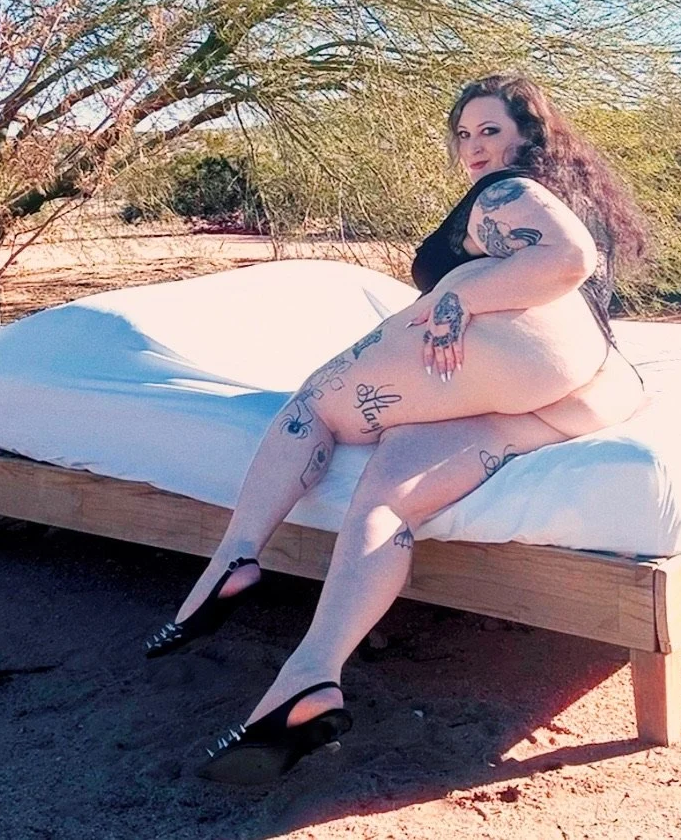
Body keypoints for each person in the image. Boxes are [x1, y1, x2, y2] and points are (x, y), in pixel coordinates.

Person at [145, 72, 651, 784]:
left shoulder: (505, 191)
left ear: (526, 138)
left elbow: (565, 259)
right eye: (465, 134)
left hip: (524, 347)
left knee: (315, 405)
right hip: (588, 384)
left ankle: (232, 560)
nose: (474, 147)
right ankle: (309, 679)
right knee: (387, 493)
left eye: (491, 131)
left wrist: (454, 296)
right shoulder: (569, 194)